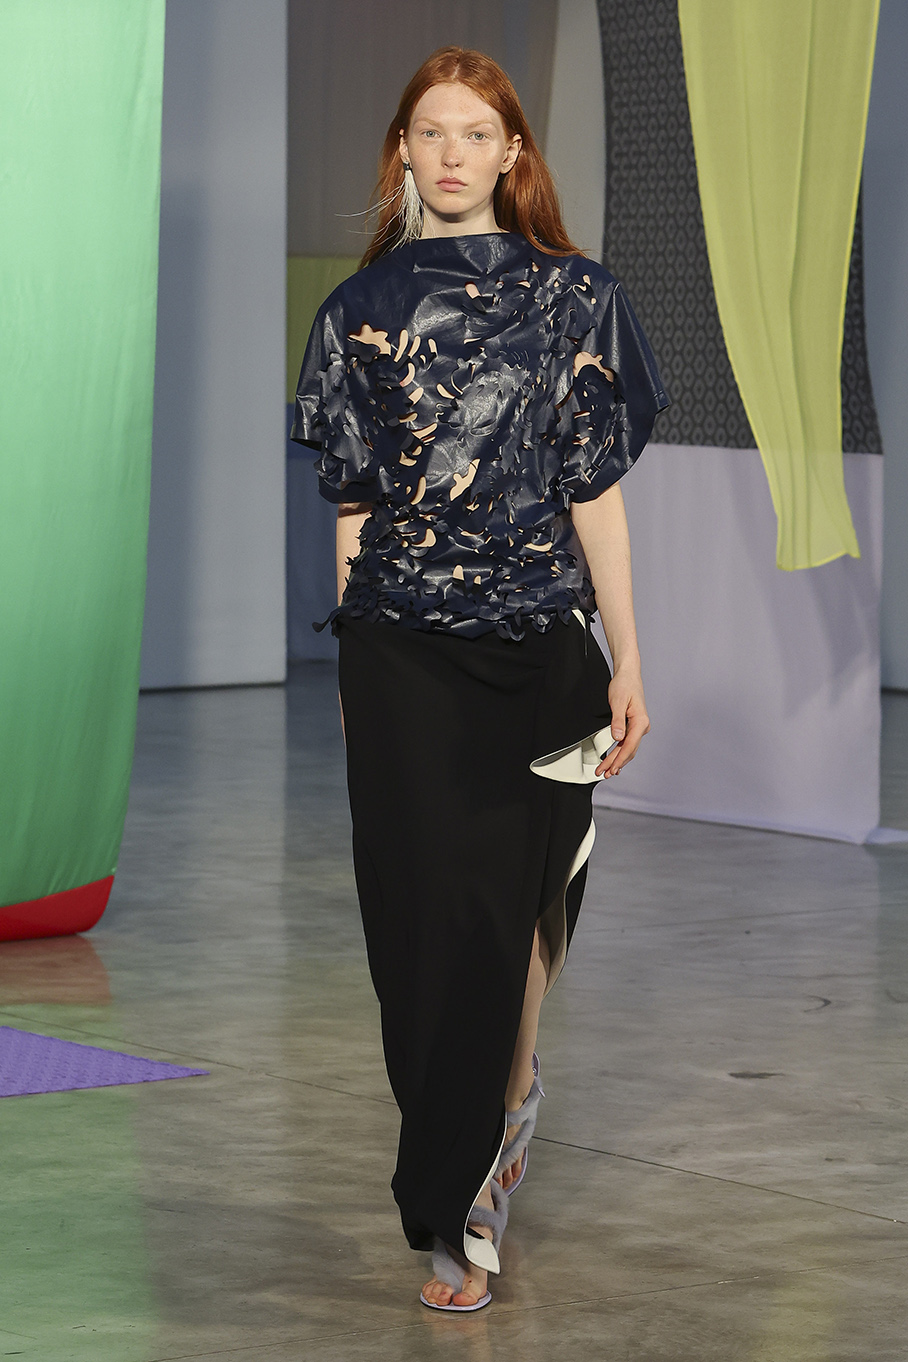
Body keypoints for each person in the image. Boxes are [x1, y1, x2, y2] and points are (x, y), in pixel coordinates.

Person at [291, 46, 668, 1312]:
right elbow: (352, 504)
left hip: (537, 651)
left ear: (512, 153)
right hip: (399, 655)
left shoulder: (577, 299)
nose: (449, 153)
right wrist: (351, 654)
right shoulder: (356, 312)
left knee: (507, 910)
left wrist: (629, 653)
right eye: (428, 132)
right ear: (401, 152)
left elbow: (593, 495)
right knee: (416, 926)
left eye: (473, 133)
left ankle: (485, 1153)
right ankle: (466, 1138)